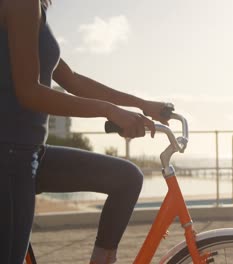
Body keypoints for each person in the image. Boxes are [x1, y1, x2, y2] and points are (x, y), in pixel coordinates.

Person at [0, 0, 173, 263]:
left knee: (126, 178)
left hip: (28, 153)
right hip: (9, 155)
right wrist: (110, 111)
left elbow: (73, 80)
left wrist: (142, 104)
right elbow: (28, 92)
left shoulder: (35, 8)